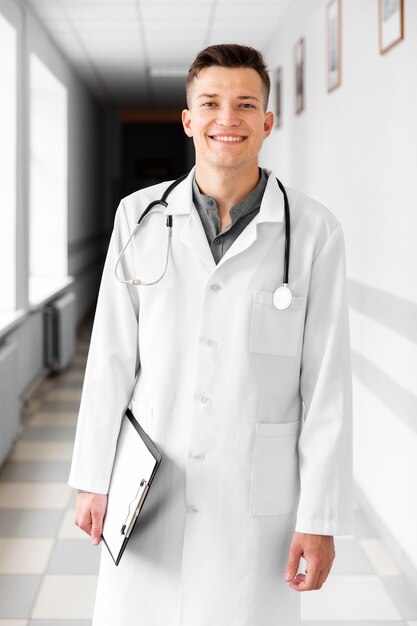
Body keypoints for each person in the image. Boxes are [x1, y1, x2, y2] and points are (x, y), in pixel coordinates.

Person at [69, 43, 352, 626]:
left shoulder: (315, 232)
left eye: (246, 104)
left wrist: (318, 517)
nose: (229, 119)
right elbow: (111, 359)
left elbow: (326, 387)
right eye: (212, 103)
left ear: (267, 122)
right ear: (188, 120)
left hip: (254, 504)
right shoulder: (139, 218)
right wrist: (93, 478)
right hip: (149, 487)